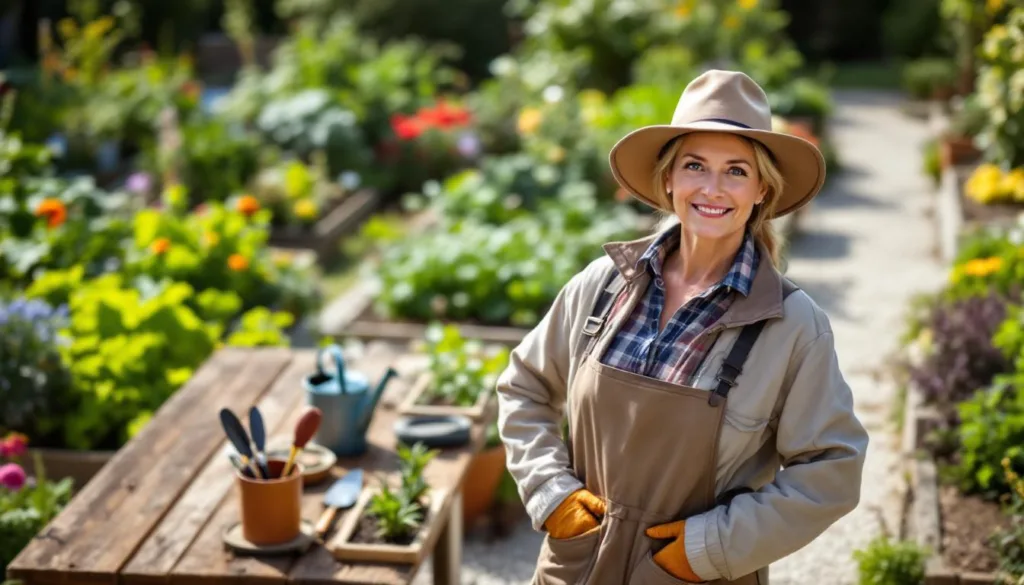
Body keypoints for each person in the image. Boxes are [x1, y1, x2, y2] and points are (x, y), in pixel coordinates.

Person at [494, 69, 869, 585]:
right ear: (668, 178)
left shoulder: (793, 326)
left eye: (736, 171)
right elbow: (524, 387)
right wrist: (550, 492)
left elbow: (832, 469)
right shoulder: (604, 286)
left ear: (762, 189)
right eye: (695, 165)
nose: (712, 189)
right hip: (576, 566)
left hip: (694, 576)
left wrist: (710, 547)